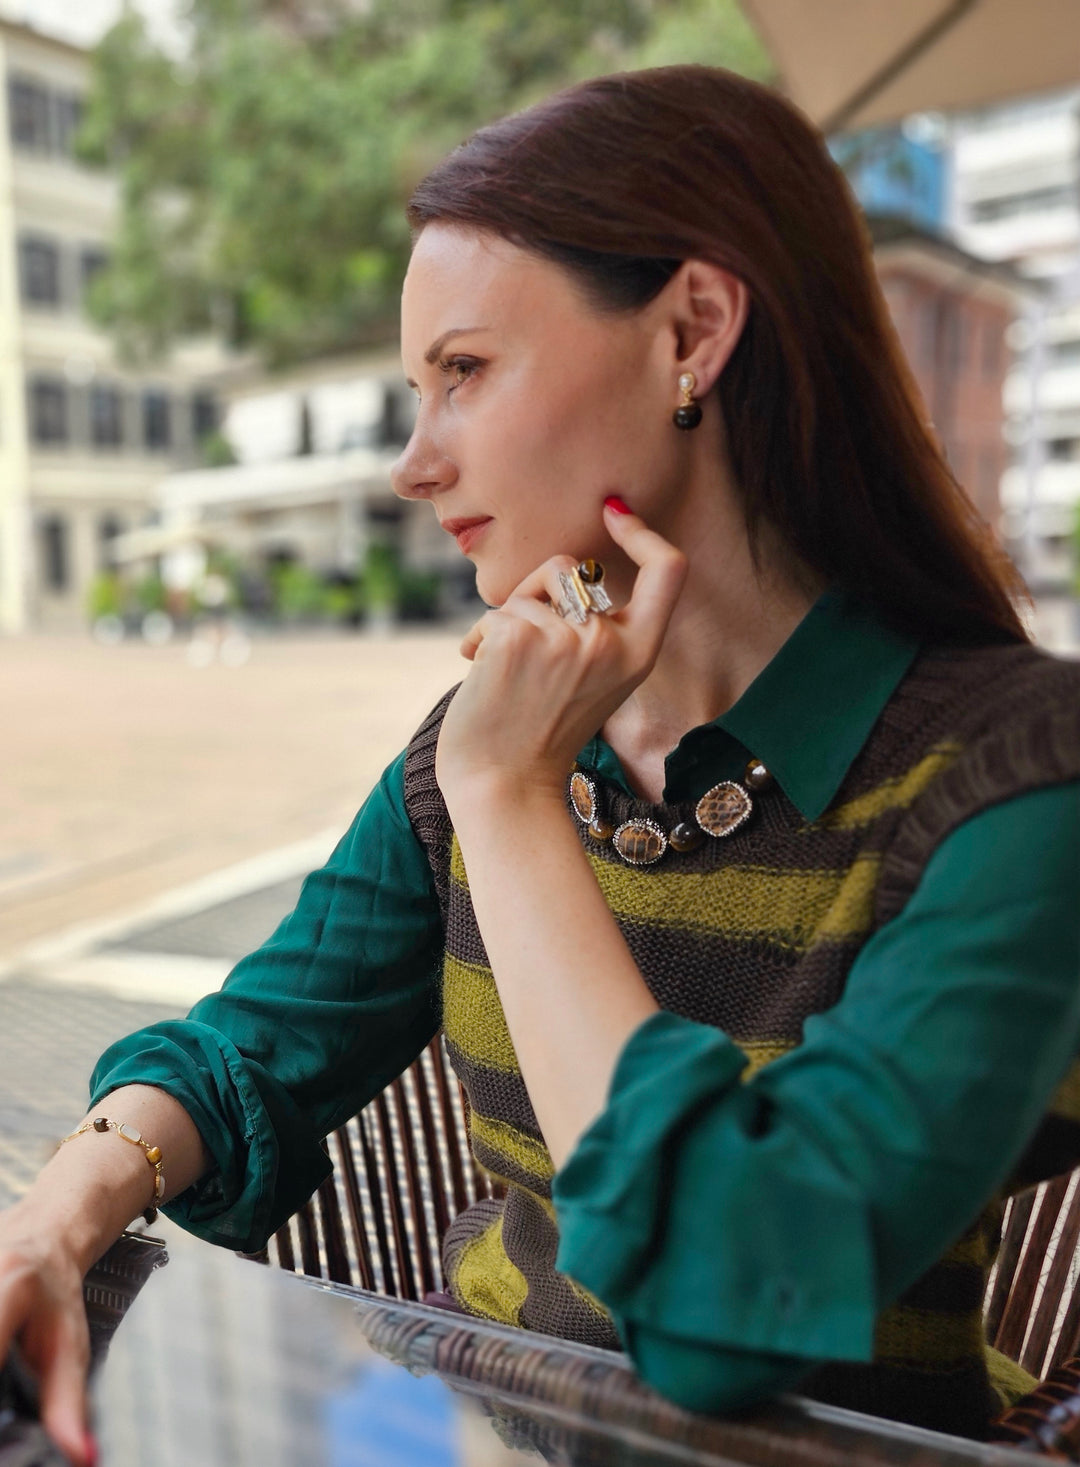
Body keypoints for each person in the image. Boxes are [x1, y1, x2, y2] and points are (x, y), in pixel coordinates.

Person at [2, 64, 1078, 1465]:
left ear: (691, 330)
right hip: (473, 1432)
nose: (413, 463)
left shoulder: (1013, 784)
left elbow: (720, 1303)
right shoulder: (484, 749)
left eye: (463, 372)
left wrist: (512, 804)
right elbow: (250, 1046)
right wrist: (55, 1215)